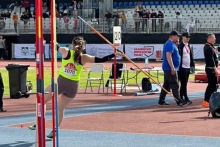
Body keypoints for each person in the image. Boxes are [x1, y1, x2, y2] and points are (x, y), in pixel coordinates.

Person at [28, 36, 124, 138]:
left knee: (42, 100)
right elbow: (102, 59)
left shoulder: (66, 51)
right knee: (60, 108)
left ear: (72, 45)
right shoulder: (85, 57)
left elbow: (56, 47)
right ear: (83, 47)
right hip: (73, 87)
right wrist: (114, 54)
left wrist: (52, 41)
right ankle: (55, 130)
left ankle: (38, 123)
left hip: (61, 82)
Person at [158, 31, 187, 106]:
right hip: (169, 68)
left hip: (169, 67)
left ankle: (161, 100)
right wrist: (172, 67)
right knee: (175, 84)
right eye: (177, 36)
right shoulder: (169, 44)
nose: (178, 38)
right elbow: (168, 56)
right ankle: (178, 100)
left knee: (166, 85)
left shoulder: (171, 44)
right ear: (172, 36)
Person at [178, 32, 194, 105]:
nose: (188, 39)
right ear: (183, 37)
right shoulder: (180, 46)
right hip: (182, 67)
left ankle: (183, 97)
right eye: (187, 37)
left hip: (187, 67)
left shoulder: (188, 45)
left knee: (185, 84)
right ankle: (184, 97)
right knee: (183, 83)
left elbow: (190, 56)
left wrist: (192, 65)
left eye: (189, 37)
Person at [203, 33, 219, 108]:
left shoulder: (209, 47)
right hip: (211, 69)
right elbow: (211, 59)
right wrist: (215, 68)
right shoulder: (208, 48)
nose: (215, 39)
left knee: (212, 85)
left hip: (210, 68)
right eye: (213, 38)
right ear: (209, 39)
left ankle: (207, 100)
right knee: (212, 85)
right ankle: (208, 100)